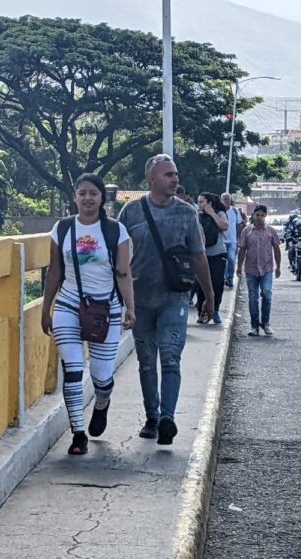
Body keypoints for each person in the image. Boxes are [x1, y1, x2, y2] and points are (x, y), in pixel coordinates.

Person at [118, 153, 214, 445]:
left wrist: (209, 296)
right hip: (140, 300)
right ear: (152, 179)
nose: (175, 179)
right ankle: (152, 416)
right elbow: (115, 253)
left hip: (175, 298)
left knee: (171, 358)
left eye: (175, 174)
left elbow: (198, 256)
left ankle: (167, 418)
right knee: (147, 361)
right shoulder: (131, 212)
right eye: (168, 174)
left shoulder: (186, 213)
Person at [41, 173, 135, 456]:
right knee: (72, 370)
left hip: (105, 308)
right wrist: (46, 308)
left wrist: (130, 307)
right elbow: (55, 271)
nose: (87, 198)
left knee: (101, 375)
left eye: (93, 193)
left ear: (102, 197)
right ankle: (78, 434)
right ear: (75, 196)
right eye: (82, 193)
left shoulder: (116, 231)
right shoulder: (62, 228)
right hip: (69, 303)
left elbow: (123, 273)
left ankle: (102, 403)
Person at [237, 205, 282, 337]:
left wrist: (278, 266)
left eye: (262, 215)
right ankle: (254, 326)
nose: (260, 218)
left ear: (265, 216)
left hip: (267, 269)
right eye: (257, 215)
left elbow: (276, 248)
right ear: (253, 215)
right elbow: (242, 249)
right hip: (251, 269)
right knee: (253, 297)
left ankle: (265, 323)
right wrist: (239, 266)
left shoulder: (270, 231)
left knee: (267, 293)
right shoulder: (247, 231)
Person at [197, 193, 229, 324]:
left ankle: (215, 310)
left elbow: (224, 226)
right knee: (200, 285)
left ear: (209, 203)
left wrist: (211, 213)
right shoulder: (196, 215)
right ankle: (201, 312)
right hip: (201, 254)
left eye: (202, 202)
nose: (199, 204)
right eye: (198, 202)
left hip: (218, 254)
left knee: (217, 283)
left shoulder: (220, 213)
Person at [221, 193, 240, 289]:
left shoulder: (235, 211)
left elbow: (239, 225)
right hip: (221, 240)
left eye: (227, 199)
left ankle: (230, 277)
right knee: (223, 261)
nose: (226, 201)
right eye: (224, 199)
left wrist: (239, 239)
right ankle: (223, 278)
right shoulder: (219, 212)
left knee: (232, 259)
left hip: (232, 241)